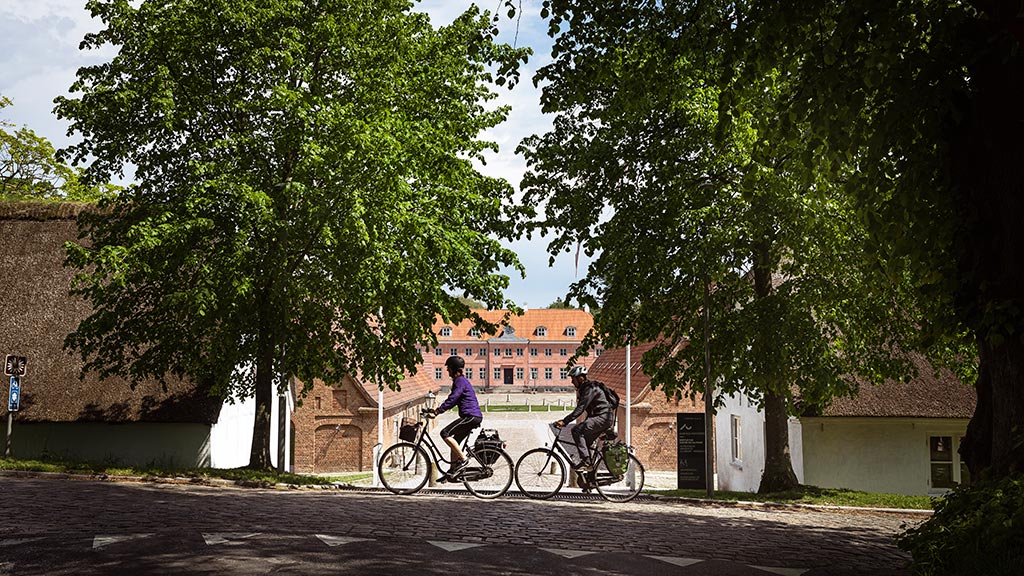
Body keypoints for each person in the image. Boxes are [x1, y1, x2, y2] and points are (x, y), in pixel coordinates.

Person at [429, 355, 483, 480]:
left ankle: (463, 459)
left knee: (445, 433)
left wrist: (438, 411)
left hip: (471, 416)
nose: (447, 371)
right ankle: (452, 471)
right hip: (472, 416)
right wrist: (438, 410)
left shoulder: (460, 381)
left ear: (453, 369)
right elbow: (453, 400)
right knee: (455, 441)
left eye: (448, 369)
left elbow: (453, 398)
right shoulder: (460, 381)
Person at [554, 365, 614, 472]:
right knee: (585, 442)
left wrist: (565, 421)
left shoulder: (589, 389)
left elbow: (580, 409)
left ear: (580, 378)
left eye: (573, 379)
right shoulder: (586, 388)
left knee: (577, 430)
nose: (572, 382)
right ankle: (589, 479)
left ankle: (587, 462)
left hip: (603, 417)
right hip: (602, 417)